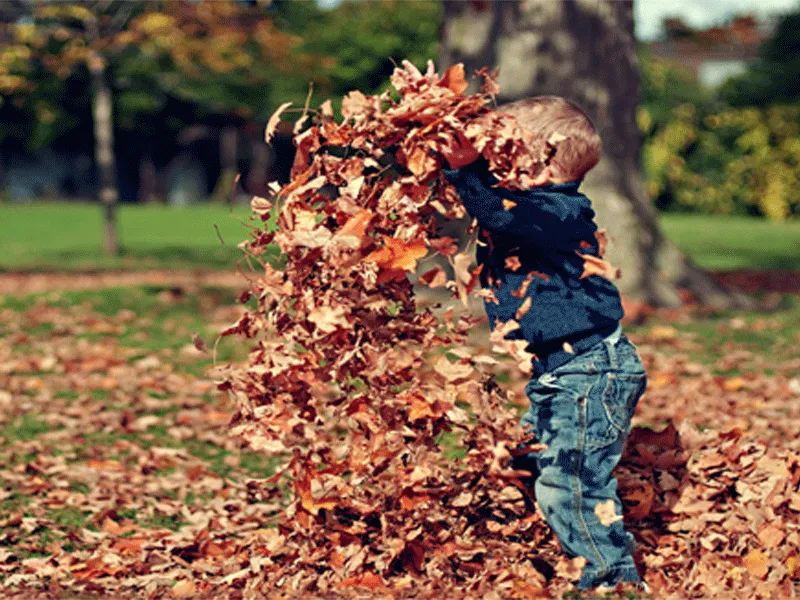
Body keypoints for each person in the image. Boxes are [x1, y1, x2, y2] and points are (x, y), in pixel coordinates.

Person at [442, 96, 648, 591]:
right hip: (561, 374)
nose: (492, 162)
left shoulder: (559, 211)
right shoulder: (534, 206)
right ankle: (552, 540)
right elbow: (492, 203)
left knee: (571, 484)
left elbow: (501, 215)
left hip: (591, 373)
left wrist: (467, 172)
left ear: (537, 161)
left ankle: (611, 580)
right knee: (528, 457)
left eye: (502, 152)